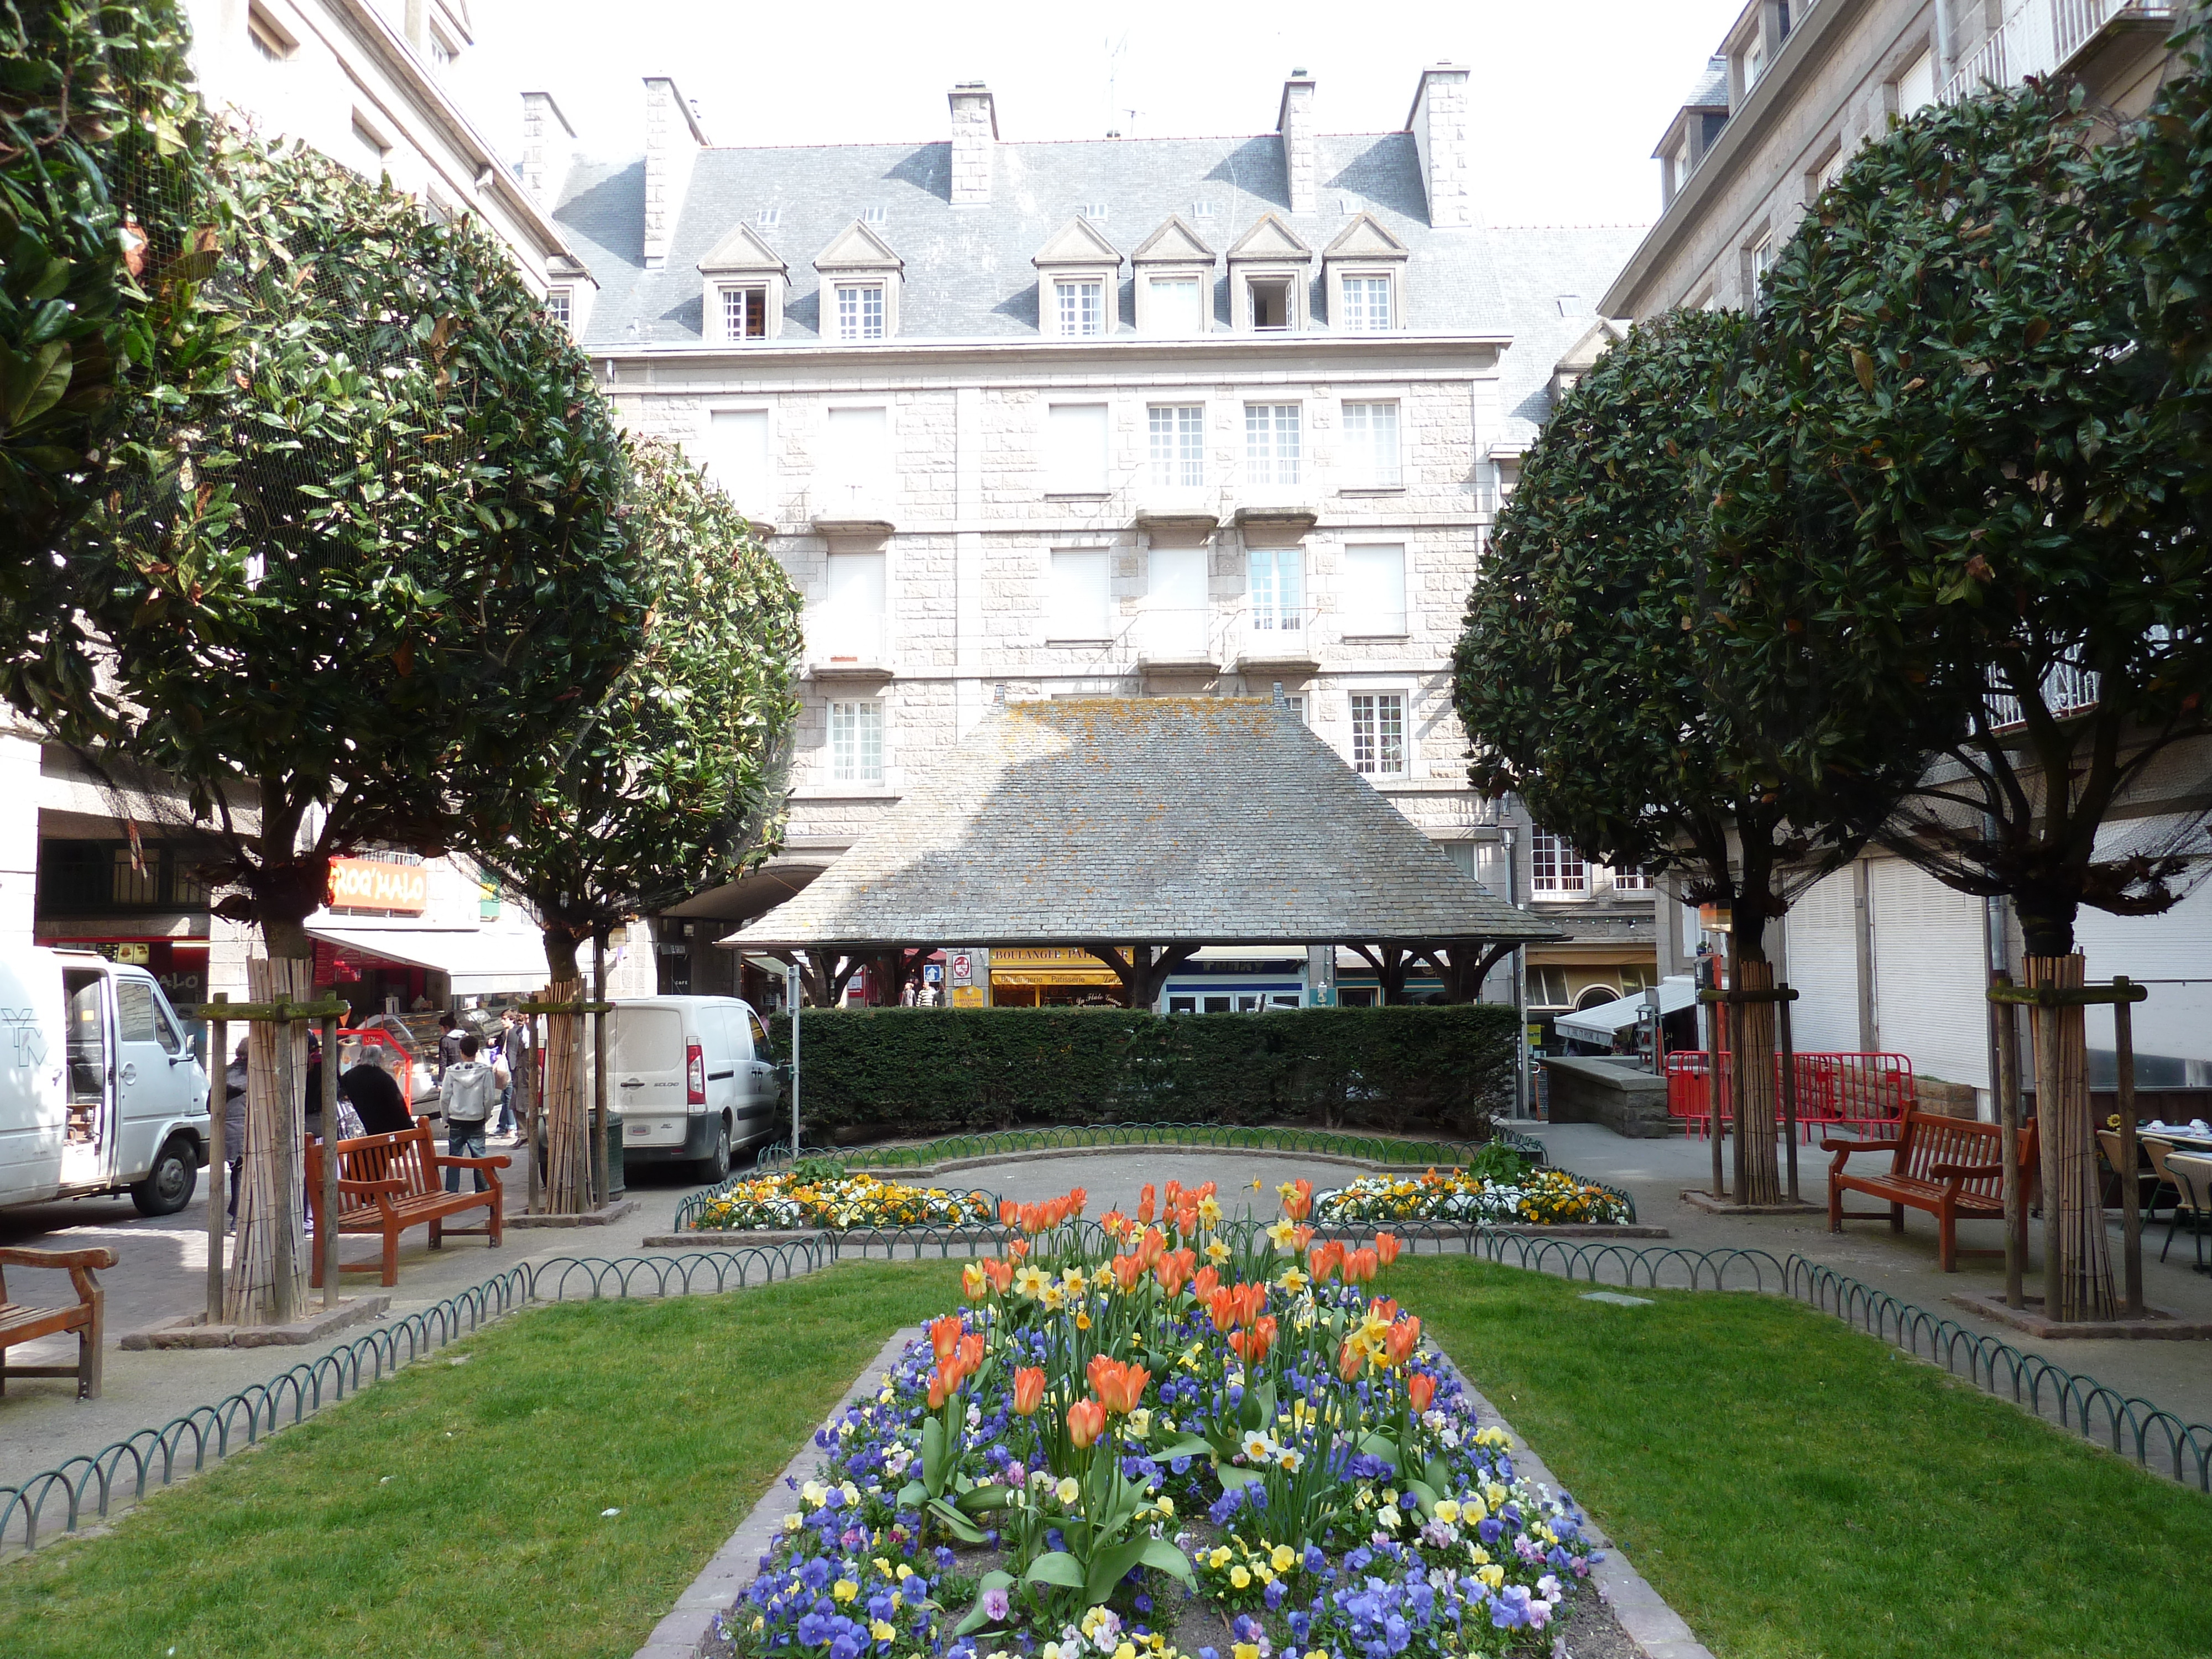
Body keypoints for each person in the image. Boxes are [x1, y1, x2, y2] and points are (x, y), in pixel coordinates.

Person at [436, 1034, 504, 1193]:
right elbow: (488, 1098)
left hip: (456, 1120)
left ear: (461, 1052)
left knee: (454, 1158)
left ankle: (451, 1191)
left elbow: (445, 1097)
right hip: (476, 1119)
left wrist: (446, 1116)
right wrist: (486, 1116)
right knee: (480, 1157)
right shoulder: (485, 1072)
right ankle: (483, 1190)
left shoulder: (452, 1072)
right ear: (477, 1052)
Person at [341, 1059, 414, 1136]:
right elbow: (397, 1104)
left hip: (362, 1135)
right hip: (389, 1135)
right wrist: (409, 1127)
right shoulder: (384, 1077)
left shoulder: (350, 1075)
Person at [222, 1037, 247, 1231]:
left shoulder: (223, 1074)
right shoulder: (255, 1075)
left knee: (237, 1175)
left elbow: (210, 1104)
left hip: (228, 1133)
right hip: (244, 1132)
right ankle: (238, 1220)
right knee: (242, 1176)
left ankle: (236, 1218)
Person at [435, 1012, 462, 1081]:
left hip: (451, 1074)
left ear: (446, 1028)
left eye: (441, 1028)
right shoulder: (465, 1036)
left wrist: (441, 1081)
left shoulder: (445, 1041)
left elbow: (443, 1062)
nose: (441, 1031)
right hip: (464, 1071)